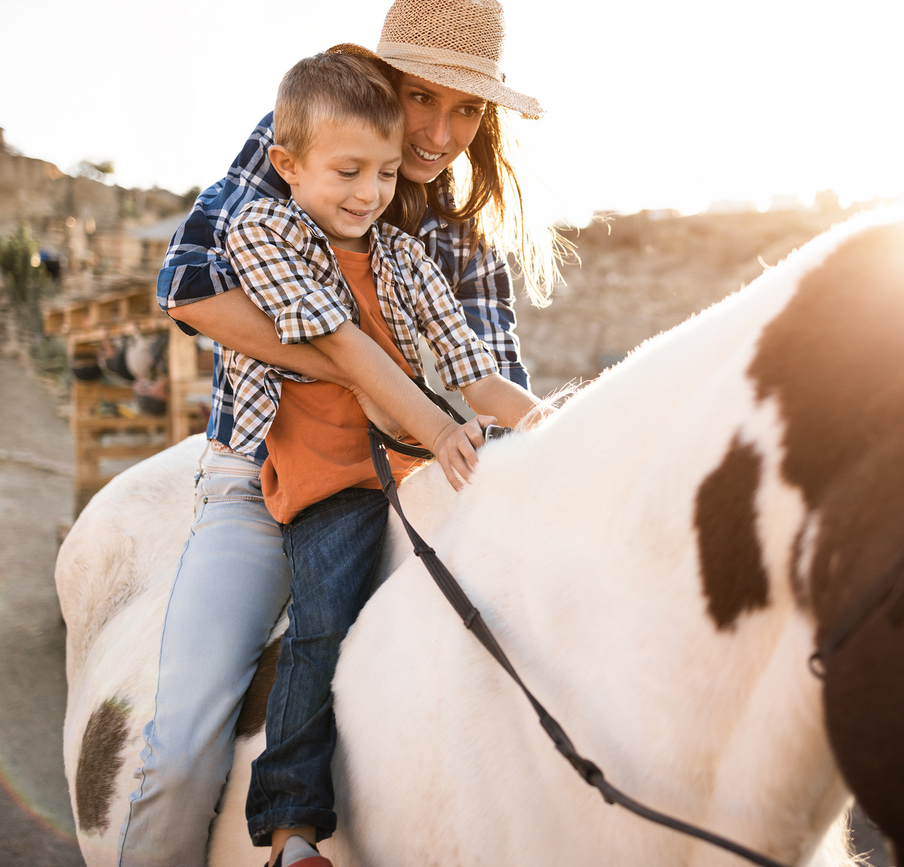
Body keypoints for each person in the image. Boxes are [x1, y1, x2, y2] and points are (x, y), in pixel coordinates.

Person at [116, 2, 562, 865]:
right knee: (177, 746)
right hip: (259, 471)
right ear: (382, 81)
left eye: (467, 110)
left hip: (408, 479)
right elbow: (191, 285)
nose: (439, 133)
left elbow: (483, 384)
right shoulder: (303, 142)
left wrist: (544, 425)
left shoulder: (459, 238)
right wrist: (361, 371)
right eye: (422, 97)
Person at [220, 52, 537, 867]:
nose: (368, 193)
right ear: (287, 166)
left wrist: (547, 422)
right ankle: (290, 826)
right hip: (333, 484)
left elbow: (470, 367)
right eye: (349, 171)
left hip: (408, 477)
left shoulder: (402, 256)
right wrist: (437, 430)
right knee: (323, 618)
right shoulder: (264, 230)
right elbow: (339, 341)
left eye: (387, 175)